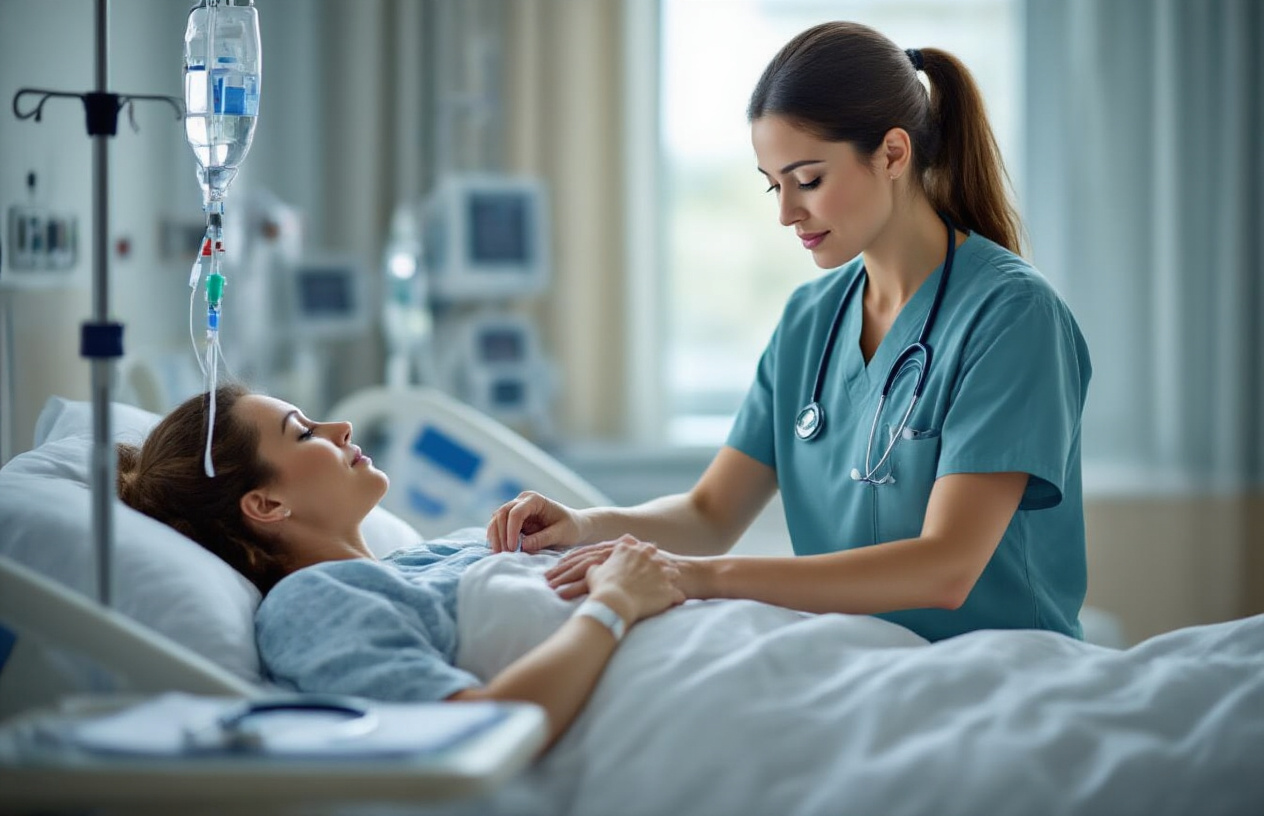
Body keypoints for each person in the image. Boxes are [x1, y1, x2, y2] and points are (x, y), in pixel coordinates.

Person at [487, 21, 1091, 644]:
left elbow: (946, 568)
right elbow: (709, 513)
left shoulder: (1012, 316)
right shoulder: (810, 320)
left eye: (808, 181)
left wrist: (701, 577)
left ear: (893, 153)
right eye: (774, 185)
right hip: (858, 659)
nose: (785, 213)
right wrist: (585, 526)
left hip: (998, 671)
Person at [116, 383, 683, 747]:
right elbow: (479, 728)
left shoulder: (424, 557)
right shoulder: (311, 606)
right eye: (304, 432)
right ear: (266, 504)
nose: (342, 429)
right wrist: (612, 606)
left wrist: (582, 531)